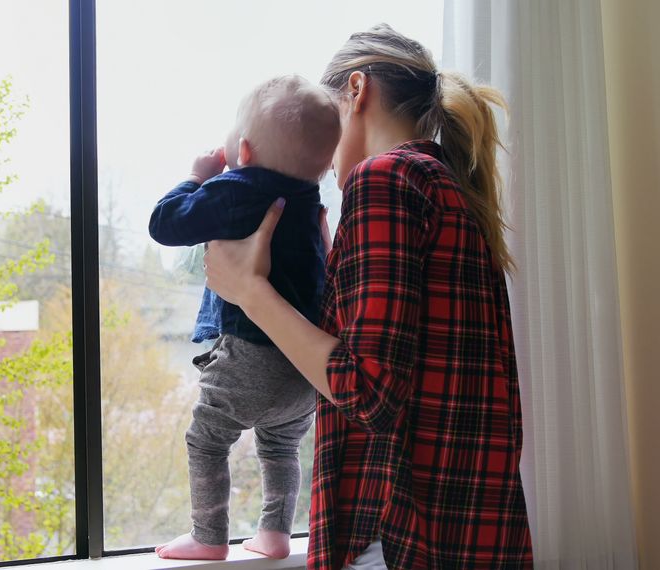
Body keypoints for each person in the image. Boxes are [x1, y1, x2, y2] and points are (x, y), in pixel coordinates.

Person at [202, 24, 534, 569]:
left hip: (399, 538)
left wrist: (248, 290)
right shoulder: (443, 186)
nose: (324, 156)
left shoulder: (386, 179)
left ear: (356, 90)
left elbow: (368, 392)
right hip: (464, 534)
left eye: (326, 117)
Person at [148, 75, 342, 561]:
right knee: (280, 447)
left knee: (207, 438)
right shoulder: (307, 201)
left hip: (250, 353)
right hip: (304, 366)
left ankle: (208, 536)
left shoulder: (240, 188)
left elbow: (166, 224)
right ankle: (275, 533)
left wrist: (197, 177)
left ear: (246, 150)